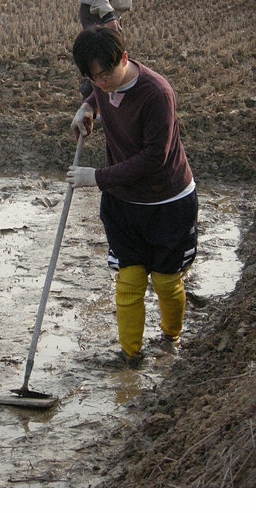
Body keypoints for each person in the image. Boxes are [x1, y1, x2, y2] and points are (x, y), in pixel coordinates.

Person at [66, 27, 198, 368]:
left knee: (166, 282)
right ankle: (131, 356)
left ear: (124, 59)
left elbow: (154, 158)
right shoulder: (101, 81)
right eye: (92, 77)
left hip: (166, 202)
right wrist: (88, 107)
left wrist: (96, 178)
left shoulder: (157, 95)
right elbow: (99, 92)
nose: (101, 81)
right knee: (129, 281)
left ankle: (171, 338)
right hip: (123, 204)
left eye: (106, 74)